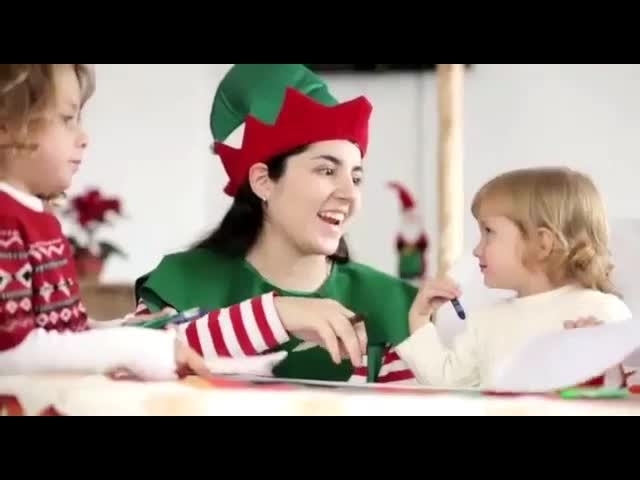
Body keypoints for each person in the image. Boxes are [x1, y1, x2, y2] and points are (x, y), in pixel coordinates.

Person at [133, 64, 420, 384]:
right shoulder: (183, 283)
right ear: (263, 181)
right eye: (327, 171)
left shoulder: (392, 306)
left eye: (356, 178)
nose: (349, 194)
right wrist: (277, 314)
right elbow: (129, 359)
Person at [0, 64, 212, 380]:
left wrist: (123, 330)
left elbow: (58, 333)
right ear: (6, 126)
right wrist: (134, 348)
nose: (83, 137)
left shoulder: (38, 219)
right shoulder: (5, 222)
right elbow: (10, 353)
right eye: (67, 119)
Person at [394, 167, 633, 389]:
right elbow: (445, 384)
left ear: (542, 244)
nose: (476, 250)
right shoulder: (486, 322)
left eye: (489, 232)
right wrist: (420, 318)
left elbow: (622, 393)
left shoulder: (603, 313)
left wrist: (598, 360)